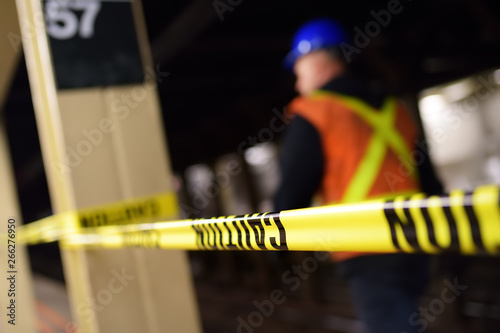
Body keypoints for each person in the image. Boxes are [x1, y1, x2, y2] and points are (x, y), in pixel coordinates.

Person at [274, 18, 439, 333]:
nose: (297, 82)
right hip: (416, 241)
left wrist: (275, 242)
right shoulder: (396, 110)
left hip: (367, 248)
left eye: (299, 70)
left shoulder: (314, 113)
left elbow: (293, 193)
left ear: (318, 63)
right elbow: (429, 181)